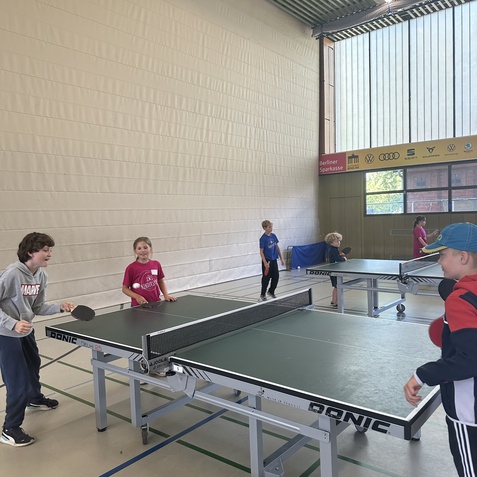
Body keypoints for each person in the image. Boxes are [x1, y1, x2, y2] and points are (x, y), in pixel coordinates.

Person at [404, 222, 477, 476]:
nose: (439, 261)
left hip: (468, 412)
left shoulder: (460, 299)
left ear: (463, 257)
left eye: (443, 254)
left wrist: (421, 375)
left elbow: (470, 359)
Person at [0, 232, 75, 447]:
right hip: (6, 333)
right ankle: (9, 429)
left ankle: (34, 399)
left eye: (50, 250)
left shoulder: (41, 275)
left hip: (25, 330)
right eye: (45, 250)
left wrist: (60, 307)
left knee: (33, 366)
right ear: (31, 252)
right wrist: (12, 323)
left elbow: (38, 307)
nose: (49, 254)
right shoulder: (12, 274)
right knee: (17, 381)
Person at [122, 237, 176, 306]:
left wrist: (166, 295)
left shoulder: (156, 264)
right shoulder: (131, 268)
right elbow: (125, 289)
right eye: (139, 248)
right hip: (138, 305)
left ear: (150, 249)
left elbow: (160, 281)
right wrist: (137, 297)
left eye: (145, 248)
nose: (142, 250)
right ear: (135, 251)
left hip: (156, 302)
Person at [259, 220, 285, 301]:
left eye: (271, 226)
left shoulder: (273, 236)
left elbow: (277, 247)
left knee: (276, 276)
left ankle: (271, 291)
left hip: (274, 260)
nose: (271, 228)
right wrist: (265, 262)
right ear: (264, 228)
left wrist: (281, 258)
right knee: (266, 278)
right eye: (269, 227)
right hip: (267, 261)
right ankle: (263, 294)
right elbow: (261, 251)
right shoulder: (263, 238)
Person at [324, 231, 347, 308]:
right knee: (337, 286)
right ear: (331, 243)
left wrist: (340, 255)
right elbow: (338, 259)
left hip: (333, 270)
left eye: (339, 241)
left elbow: (335, 257)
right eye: (336, 241)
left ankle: (333, 300)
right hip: (334, 271)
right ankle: (336, 302)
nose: (339, 242)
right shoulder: (334, 250)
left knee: (336, 286)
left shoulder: (333, 249)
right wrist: (343, 259)